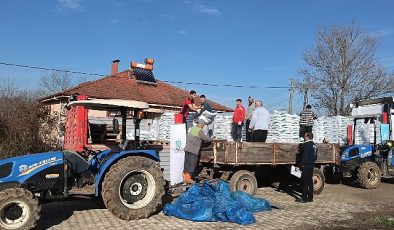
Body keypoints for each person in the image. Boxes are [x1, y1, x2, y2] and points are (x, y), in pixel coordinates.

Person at [297, 132, 317, 203]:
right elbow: (315, 156)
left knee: (304, 182)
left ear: (308, 137)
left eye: (305, 136)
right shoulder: (314, 145)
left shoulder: (306, 145)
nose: (304, 138)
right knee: (310, 182)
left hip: (306, 165)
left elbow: (304, 156)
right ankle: (310, 197)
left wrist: (300, 165)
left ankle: (304, 198)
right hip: (311, 165)